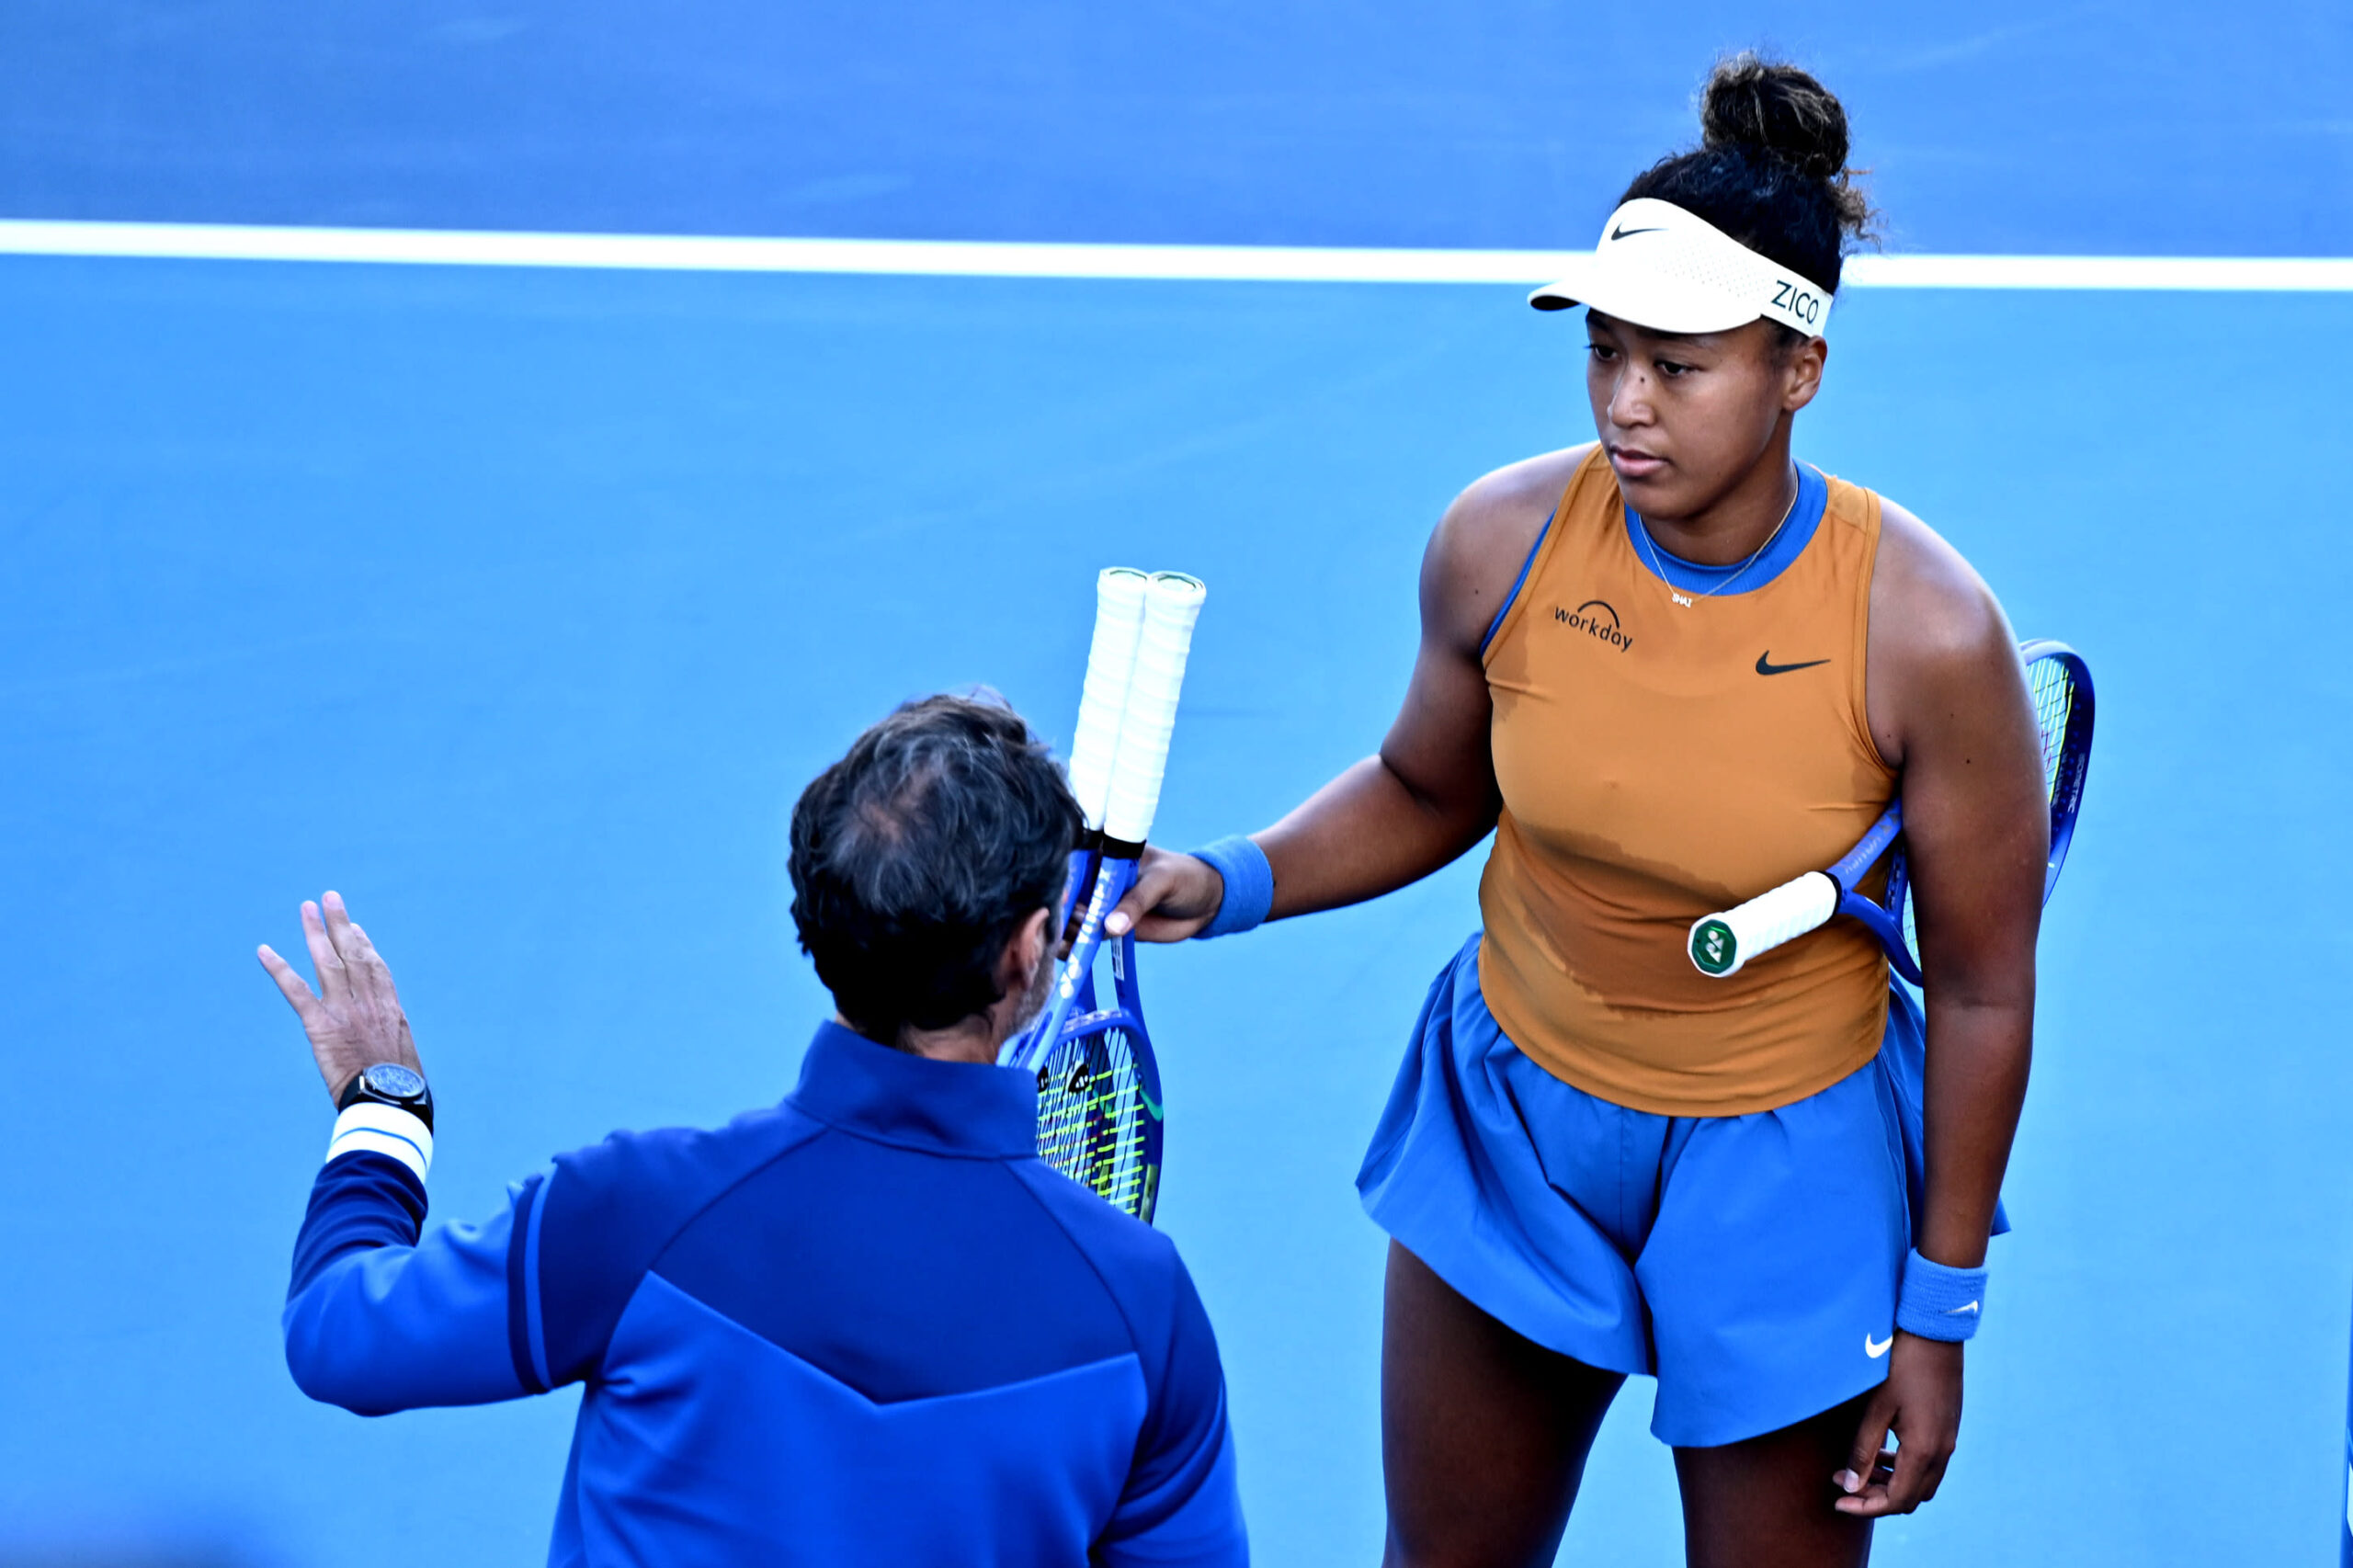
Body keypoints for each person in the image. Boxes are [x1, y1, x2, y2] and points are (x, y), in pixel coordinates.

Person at [1108, 55, 2044, 1568]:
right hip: (1518, 1125)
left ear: (1799, 367)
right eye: (1607, 353)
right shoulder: (1501, 540)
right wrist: (1232, 878)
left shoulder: (1927, 634)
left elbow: (1989, 987)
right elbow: (1427, 784)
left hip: (1788, 1175)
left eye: (1679, 365)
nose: (1626, 401)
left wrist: (1938, 1314)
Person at [262, 694, 1248, 1567]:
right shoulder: (1140, 1307)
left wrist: (383, 1102)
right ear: (1032, 946)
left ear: (821, 919)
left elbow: (337, 1334)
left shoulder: (629, 1211)